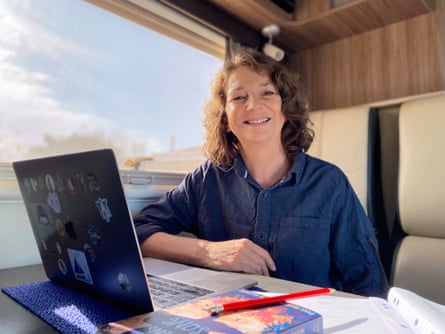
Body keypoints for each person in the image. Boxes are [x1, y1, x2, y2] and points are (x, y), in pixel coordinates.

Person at [134, 48, 388, 297]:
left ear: (286, 109)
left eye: (267, 93)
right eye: (239, 97)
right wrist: (209, 252)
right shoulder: (206, 179)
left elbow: (369, 284)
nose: (253, 105)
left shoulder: (330, 183)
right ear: (225, 119)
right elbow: (140, 232)